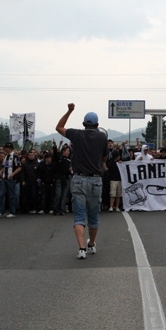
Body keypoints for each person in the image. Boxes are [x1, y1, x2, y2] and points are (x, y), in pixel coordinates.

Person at [56, 104, 108, 260]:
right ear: (97, 125)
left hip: (79, 178)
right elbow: (104, 159)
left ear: (84, 124)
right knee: (94, 216)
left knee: (79, 216)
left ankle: (81, 249)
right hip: (96, 179)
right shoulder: (102, 137)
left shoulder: (77, 135)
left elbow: (59, 127)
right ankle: (91, 243)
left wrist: (70, 111)